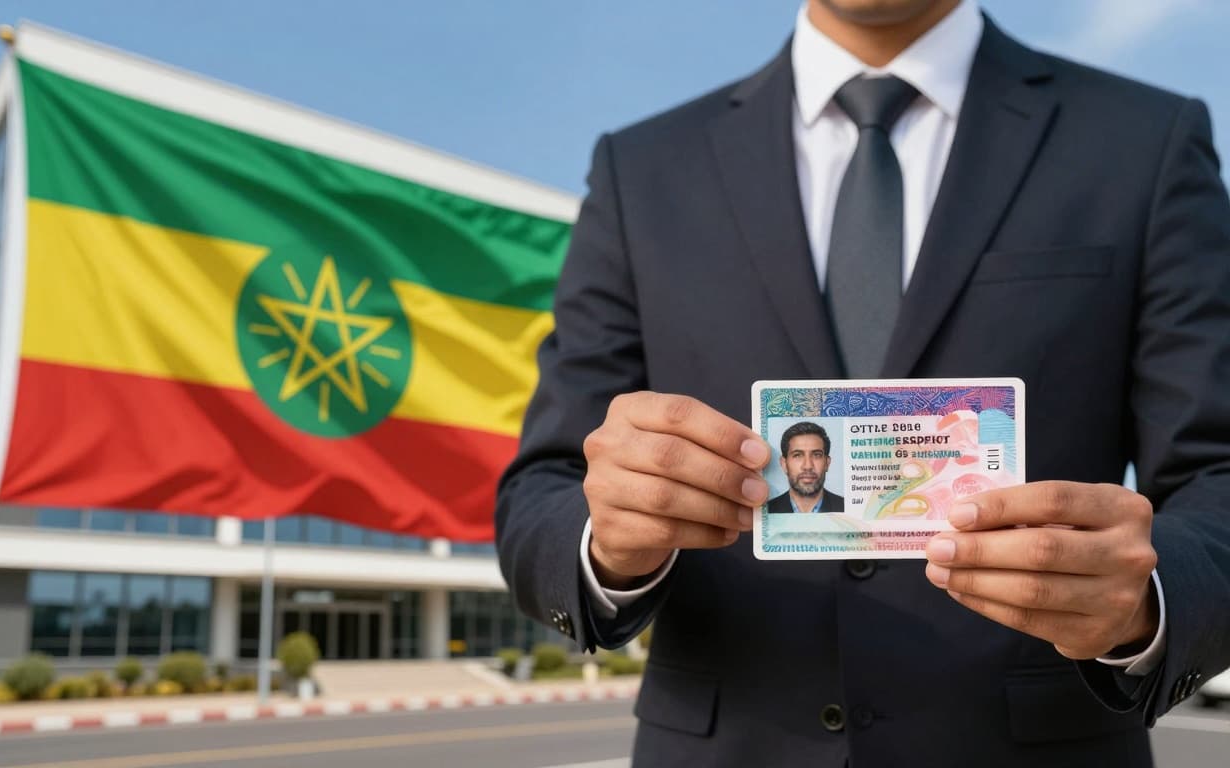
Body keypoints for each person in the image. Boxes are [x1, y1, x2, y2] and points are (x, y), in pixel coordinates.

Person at [495, 0, 1230, 765]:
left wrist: (1148, 599)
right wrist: (607, 539)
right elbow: (544, 488)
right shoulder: (643, 168)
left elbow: (1217, 470)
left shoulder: (1142, 141)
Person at [767, 421, 845, 513]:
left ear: (827, 463)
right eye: (797, 455)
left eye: (816, 455)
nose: (808, 466)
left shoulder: (846, 507)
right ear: (784, 464)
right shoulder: (767, 510)